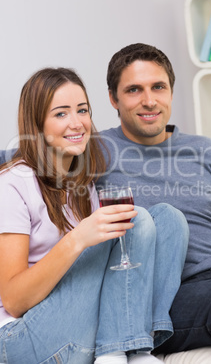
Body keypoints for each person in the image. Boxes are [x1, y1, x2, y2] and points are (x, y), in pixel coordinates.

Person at [0, 67, 189, 364]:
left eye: (82, 110)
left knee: (169, 219)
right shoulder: (13, 183)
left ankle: (134, 348)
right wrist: (77, 239)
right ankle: (117, 351)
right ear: (37, 124)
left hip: (82, 325)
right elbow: (13, 300)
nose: (77, 123)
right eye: (61, 114)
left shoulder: (81, 184)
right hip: (23, 338)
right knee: (135, 218)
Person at [96, 43, 211, 364]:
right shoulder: (95, 150)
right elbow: (25, 159)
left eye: (158, 87)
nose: (149, 100)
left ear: (171, 92)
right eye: (134, 90)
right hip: (168, 295)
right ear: (113, 99)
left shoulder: (205, 150)